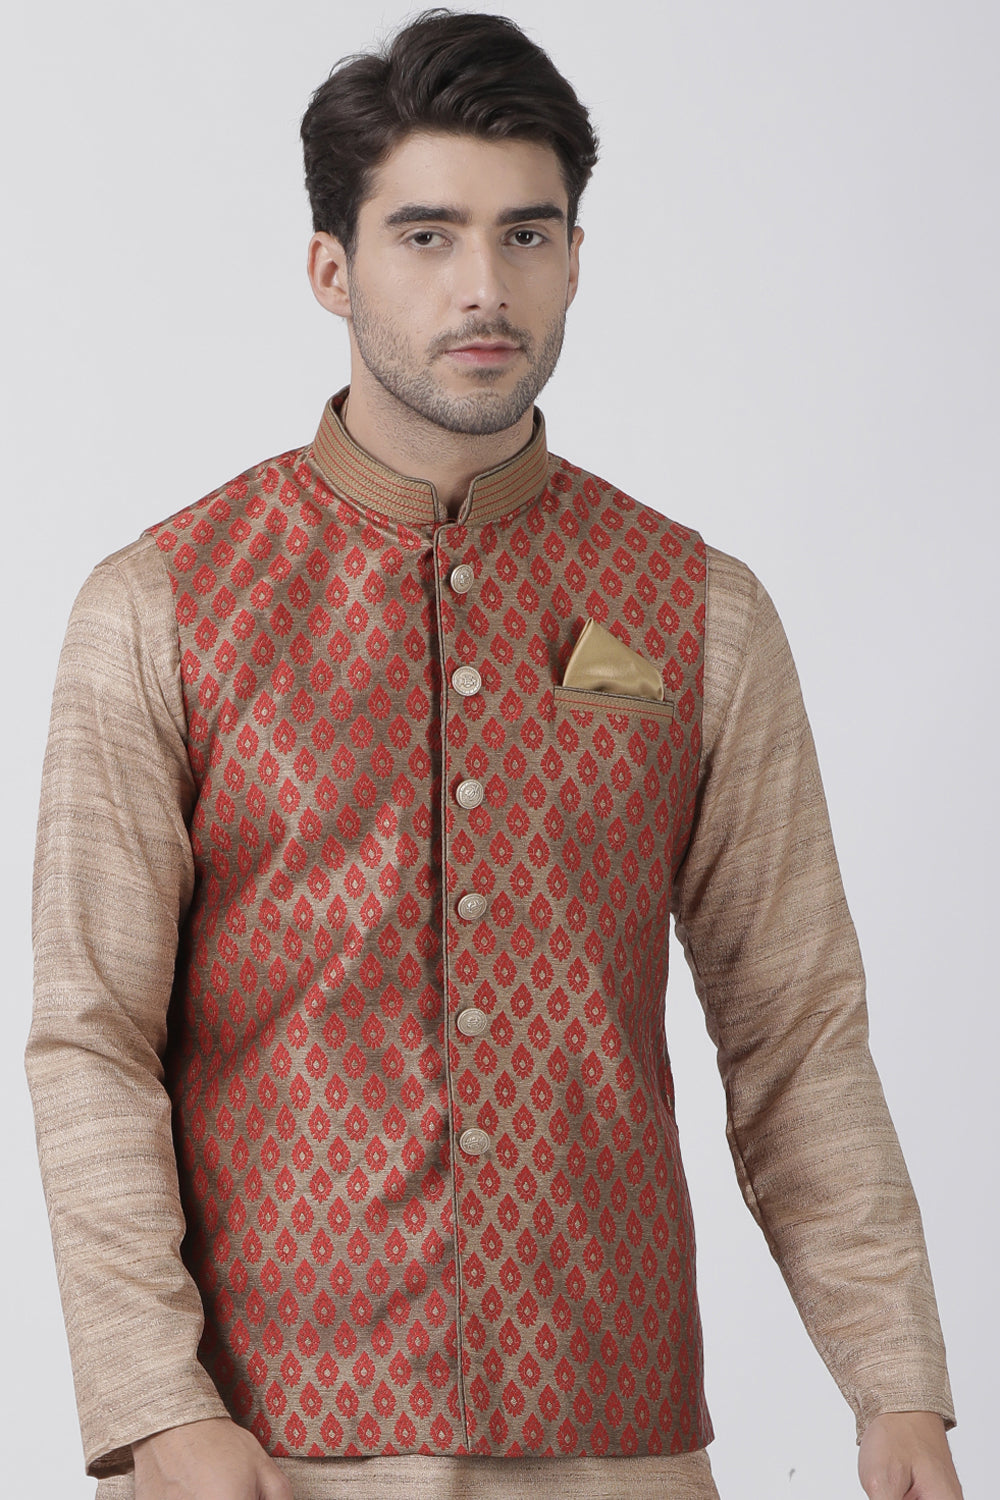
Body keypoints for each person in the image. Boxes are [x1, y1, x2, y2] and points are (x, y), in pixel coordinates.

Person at [26, 10, 963, 1499]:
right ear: (330, 268)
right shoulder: (162, 609)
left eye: (526, 234)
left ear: (576, 259)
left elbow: (797, 1032)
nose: (484, 286)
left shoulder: (700, 612)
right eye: (427, 236)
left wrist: (895, 1384)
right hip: (264, 1447)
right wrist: (157, 1405)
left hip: (620, 1433)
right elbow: (91, 1037)